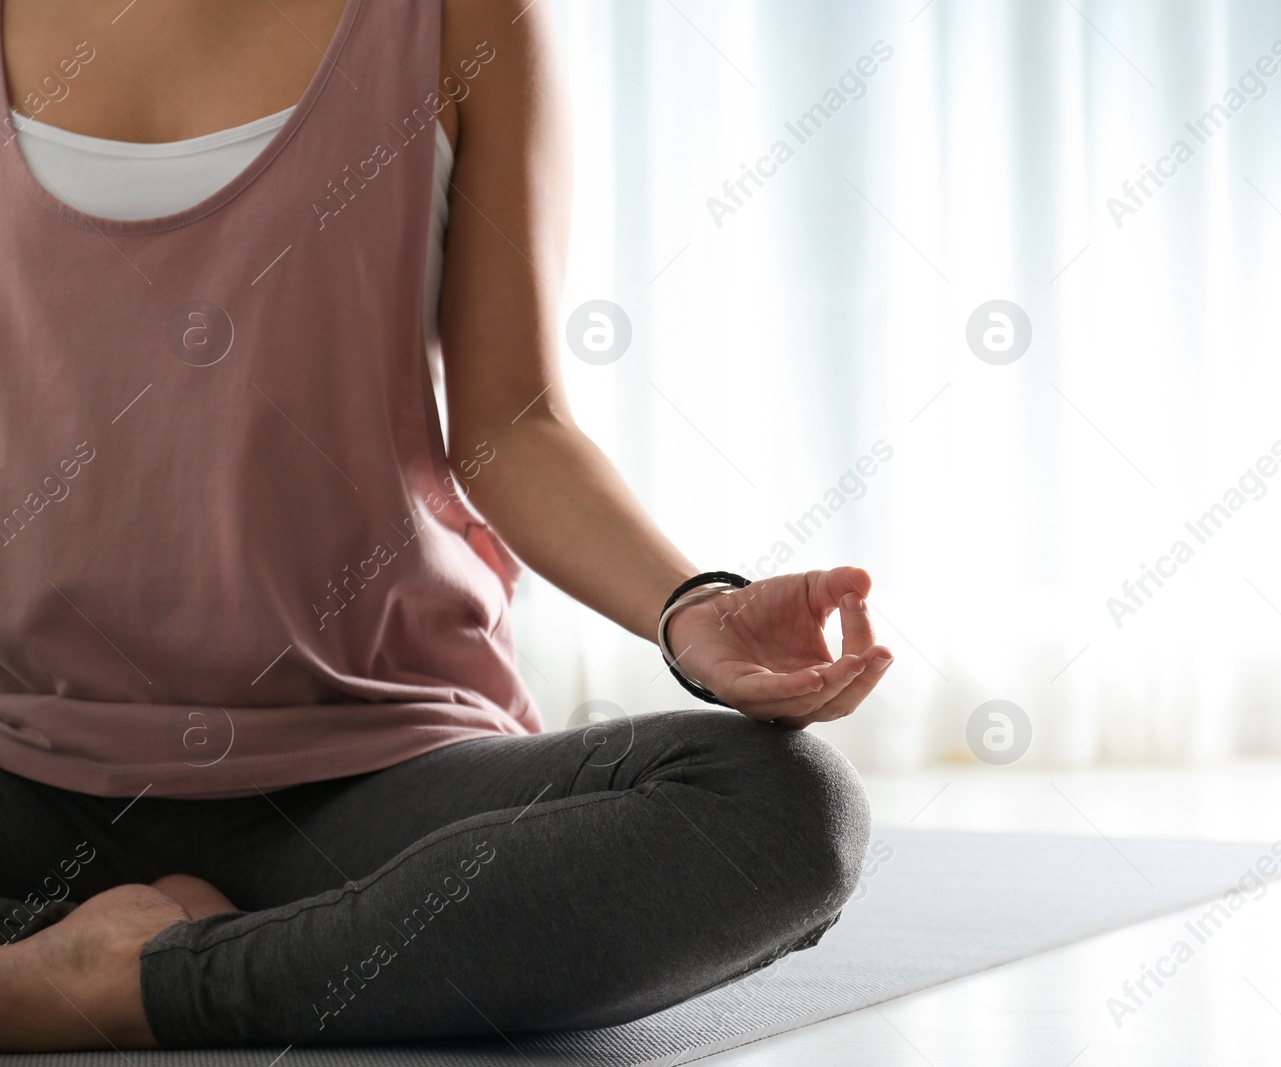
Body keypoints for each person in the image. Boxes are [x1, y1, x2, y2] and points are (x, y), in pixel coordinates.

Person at [0, 0, 893, 1049]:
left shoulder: (463, 17)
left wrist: (691, 608)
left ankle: (101, 985)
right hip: (33, 760)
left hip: (371, 774)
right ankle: (285, 956)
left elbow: (514, 425)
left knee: (782, 810)